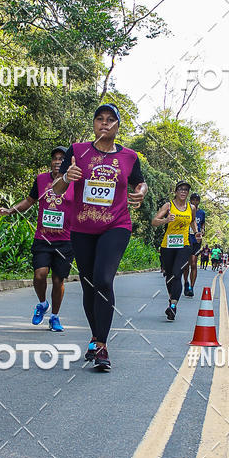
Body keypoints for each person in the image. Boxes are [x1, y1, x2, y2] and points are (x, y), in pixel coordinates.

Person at [55, 104, 147, 372]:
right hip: (82, 227)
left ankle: (102, 345)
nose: (104, 124)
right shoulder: (77, 150)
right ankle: (96, 337)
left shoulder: (130, 156)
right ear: (94, 124)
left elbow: (139, 182)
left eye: (110, 120)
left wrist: (141, 191)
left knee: (103, 280)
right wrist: (66, 177)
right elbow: (57, 189)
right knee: (88, 285)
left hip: (116, 225)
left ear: (118, 126)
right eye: (100, 119)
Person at [0, 146, 74, 331]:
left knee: (58, 280)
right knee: (39, 275)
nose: (58, 161)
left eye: (62, 159)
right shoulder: (41, 179)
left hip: (66, 240)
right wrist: (10, 210)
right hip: (43, 238)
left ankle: (54, 317)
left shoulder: (74, 181)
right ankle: (43, 304)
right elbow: (29, 201)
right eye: (55, 158)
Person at [153, 182, 200, 320]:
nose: (183, 191)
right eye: (181, 189)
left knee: (177, 273)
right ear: (176, 192)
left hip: (184, 245)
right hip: (167, 245)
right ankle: (171, 299)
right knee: (169, 275)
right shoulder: (168, 206)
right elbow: (154, 221)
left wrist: (196, 232)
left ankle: (173, 305)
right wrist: (166, 220)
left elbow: (192, 221)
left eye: (186, 190)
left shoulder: (191, 207)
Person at [182, 192, 205, 297]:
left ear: (199, 201)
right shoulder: (185, 210)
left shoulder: (202, 213)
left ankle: (191, 287)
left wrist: (203, 230)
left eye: (197, 200)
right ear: (190, 200)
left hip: (196, 240)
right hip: (186, 239)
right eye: (193, 199)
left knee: (194, 264)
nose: (195, 202)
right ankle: (186, 282)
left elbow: (203, 224)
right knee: (186, 265)